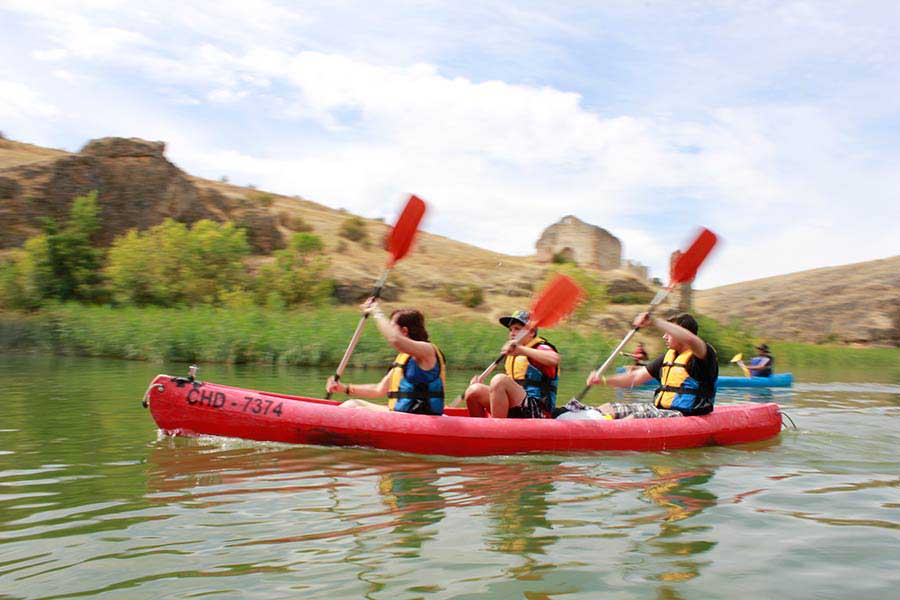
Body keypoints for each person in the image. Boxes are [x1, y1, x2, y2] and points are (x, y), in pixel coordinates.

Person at [584, 312, 718, 419]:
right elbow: (634, 377)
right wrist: (603, 380)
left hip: (685, 415)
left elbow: (690, 339)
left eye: (669, 333)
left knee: (634, 417)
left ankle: (605, 437)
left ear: (681, 334)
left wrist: (654, 321)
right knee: (608, 408)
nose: (664, 337)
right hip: (659, 410)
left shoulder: (703, 356)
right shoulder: (666, 358)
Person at [326, 299, 446, 415]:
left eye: (392, 325)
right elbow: (379, 389)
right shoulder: (405, 358)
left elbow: (394, 339)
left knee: (351, 406)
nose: (389, 329)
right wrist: (344, 388)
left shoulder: (427, 351)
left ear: (404, 331)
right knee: (353, 403)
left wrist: (376, 311)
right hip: (403, 416)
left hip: (419, 420)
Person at [464, 309, 560, 419]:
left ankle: (496, 431)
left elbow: (554, 359)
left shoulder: (541, 347)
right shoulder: (514, 353)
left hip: (538, 411)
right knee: (474, 390)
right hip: (516, 406)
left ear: (531, 332)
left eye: (517, 329)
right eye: (511, 329)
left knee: (499, 380)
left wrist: (522, 350)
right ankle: (480, 432)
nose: (512, 333)